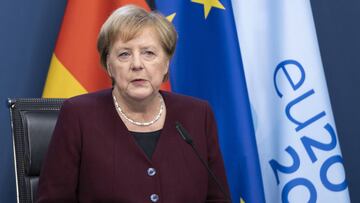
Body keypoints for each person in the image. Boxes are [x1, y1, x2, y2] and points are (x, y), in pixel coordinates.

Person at [37, 5, 231, 203]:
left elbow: (218, 199)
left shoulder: (197, 114)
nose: (137, 64)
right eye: (124, 54)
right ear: (109, 65)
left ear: (166, 63)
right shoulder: (78, 116)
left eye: (148, 53)